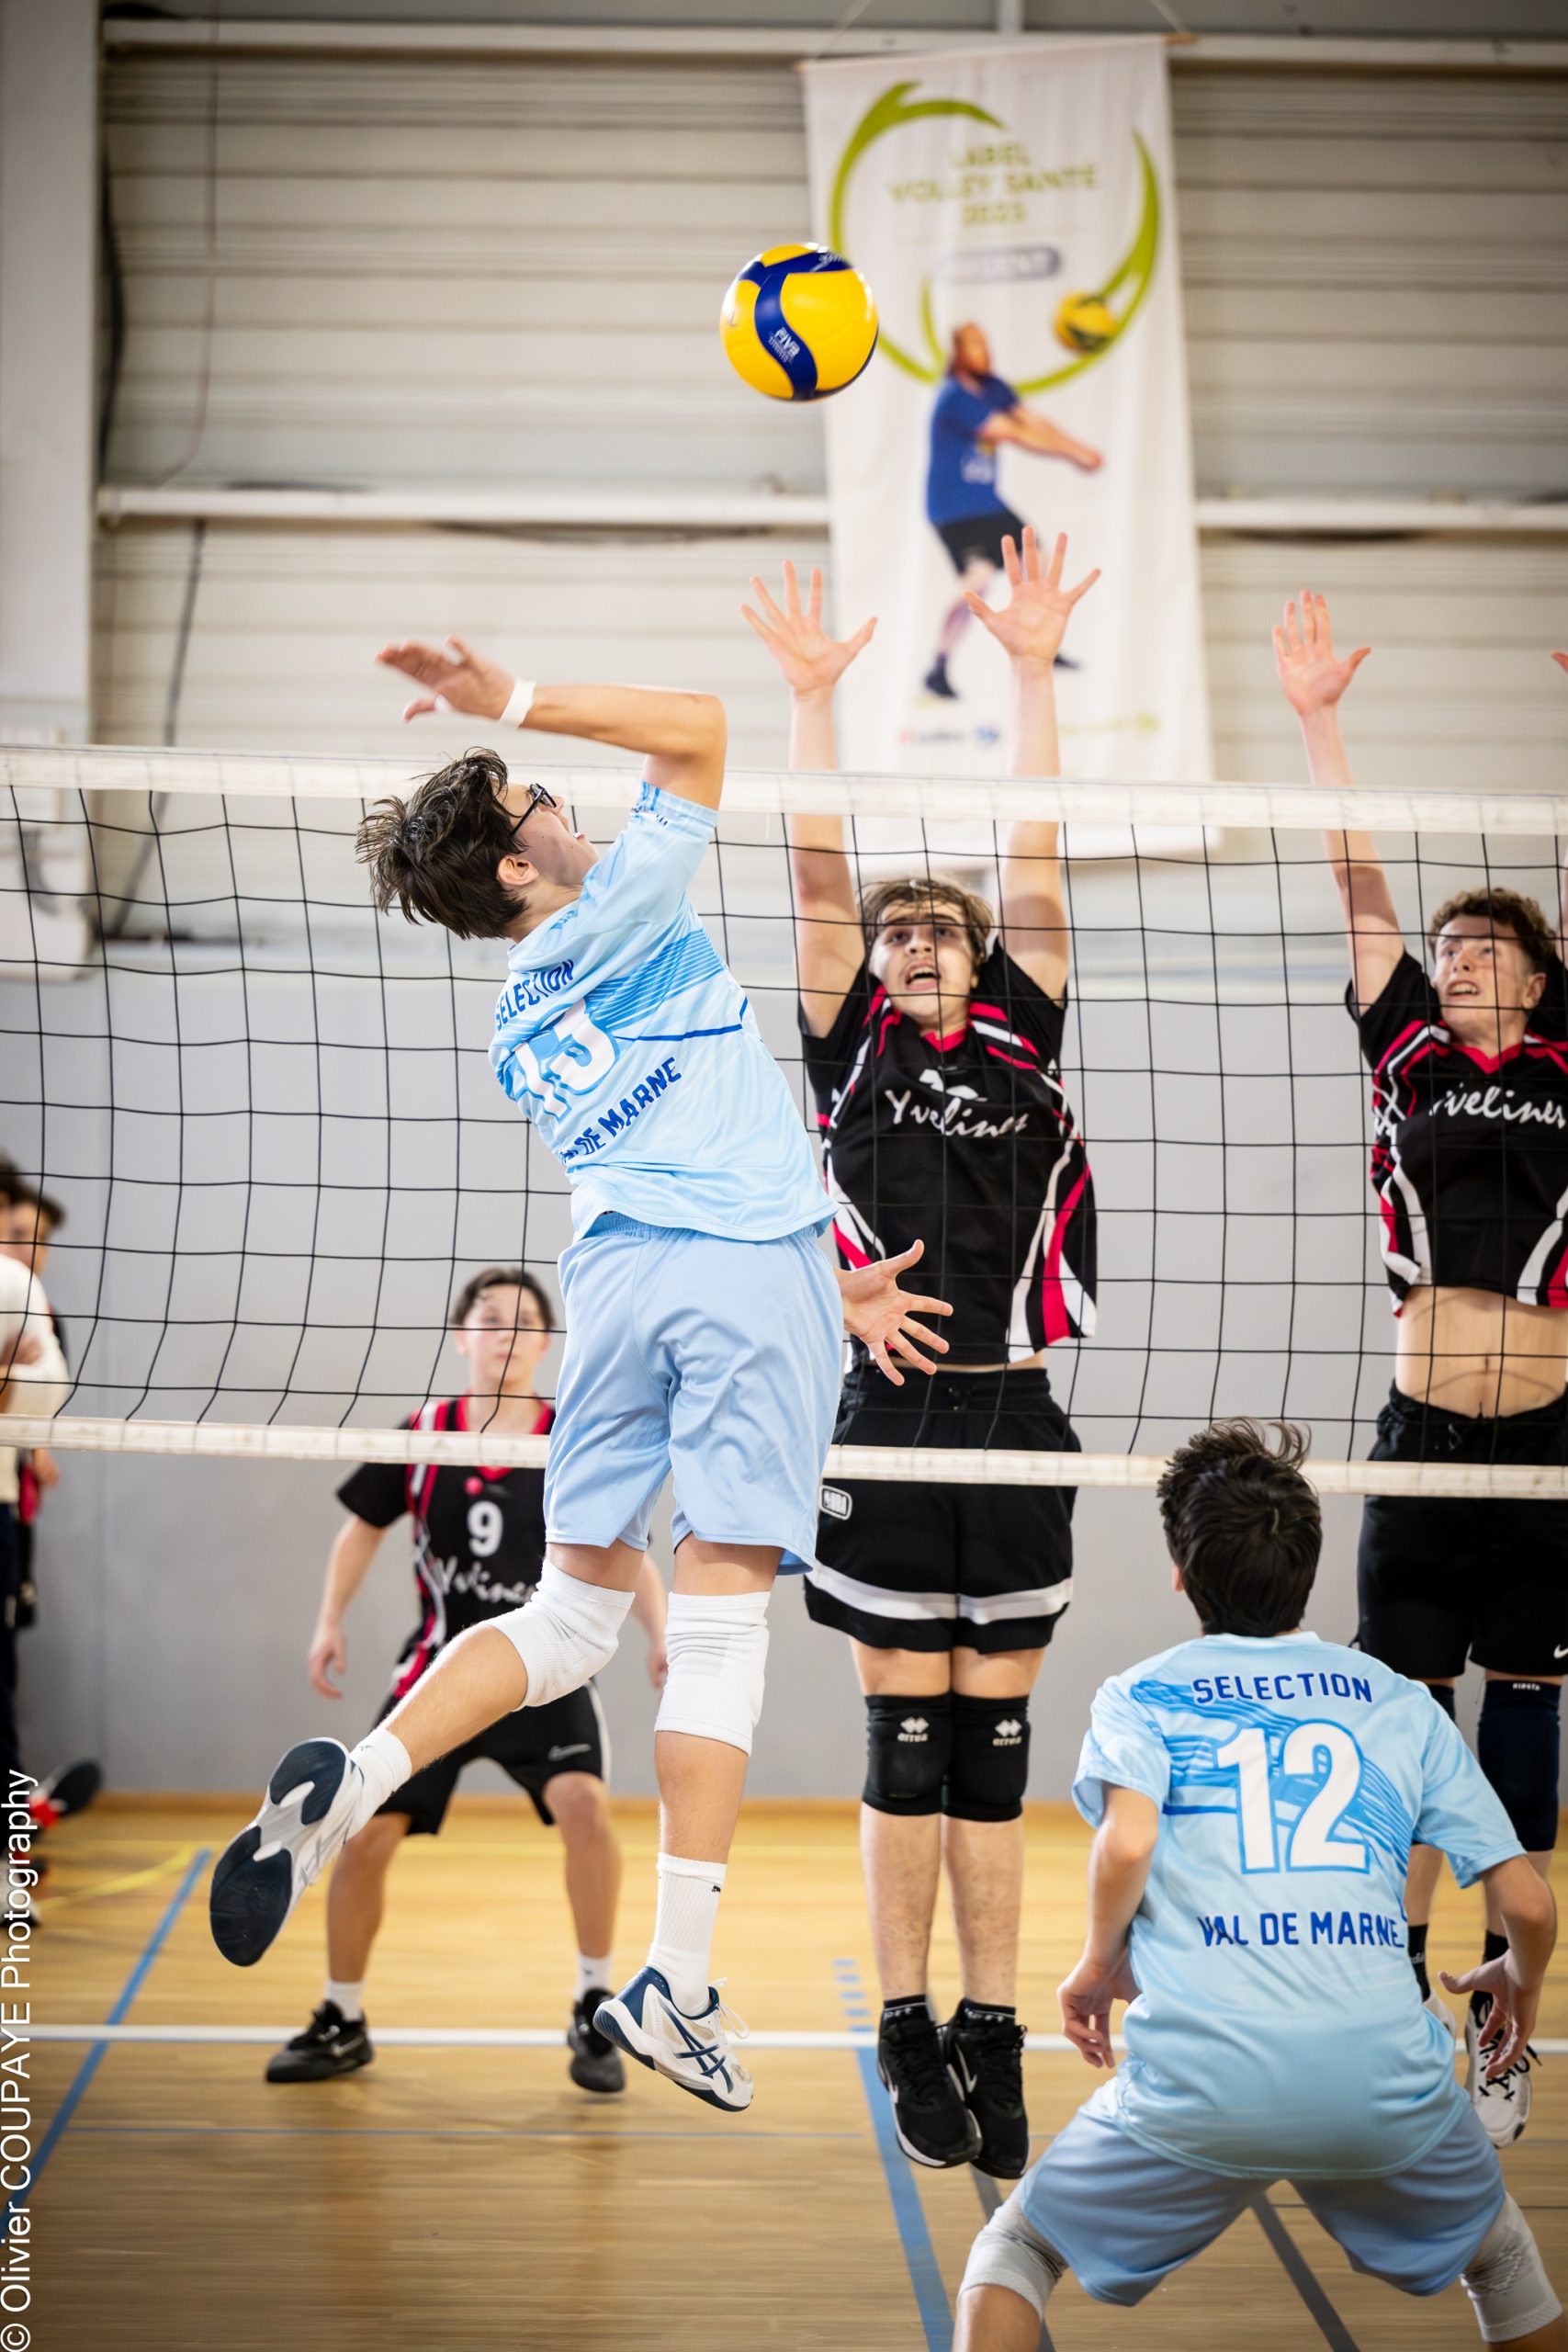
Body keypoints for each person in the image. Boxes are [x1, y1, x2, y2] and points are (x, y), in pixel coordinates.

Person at [209, 645, 952, 2117]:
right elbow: (700, 728)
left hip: (615, 1289)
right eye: (540, 802)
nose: (569, 806)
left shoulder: (514, 1024)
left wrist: (815, 1287)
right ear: (516, 864)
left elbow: (676, 1183)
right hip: (741, 1277)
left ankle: (358, 1783)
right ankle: (675, 1978)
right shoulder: (625, 907)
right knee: (721, 1620)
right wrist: (509, 701)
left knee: (566, 1618)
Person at [741, 528, 1098, 2177]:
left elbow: (1036, 851)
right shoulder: (851, 1051)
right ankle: (903, 2021)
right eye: (895, 936)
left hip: (1014, 1418)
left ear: (979, 955)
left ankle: (991, 2026)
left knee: (992, 1753)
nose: (913, 944)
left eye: (938, 930)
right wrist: (810, 705)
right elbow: (818, 879)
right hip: (884, 1421)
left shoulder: (1025, 1029)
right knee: (904, 1738)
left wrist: (1028, 669)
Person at [956, 1419, 1565, 2352]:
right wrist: (1518, 1979)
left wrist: (1097, 1964)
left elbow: (1128, 1843)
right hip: (1382, 2082)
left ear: (1180, 1572)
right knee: (1506, 2264)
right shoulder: (1399, 1700)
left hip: (1202, 2080)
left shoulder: (1142, 1694)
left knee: (1016, 2251)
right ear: (1308, 1571)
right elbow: (1526, 1903)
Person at [1276, 593, 1568, 2145]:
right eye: (1442, 949)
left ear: (1535, 974)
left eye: (1479, 949)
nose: (1451, 963)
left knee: (1519, 1745)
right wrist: (1317, 721)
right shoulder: (1407, 1054)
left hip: (1548, 1451)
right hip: (1420, 1439)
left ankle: (1504, 2020)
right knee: (1400, 1725)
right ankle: (1384, 2000)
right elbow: (1354, 882)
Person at [265, 1265, 667, 2094]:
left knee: (585, 1809)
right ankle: (342, 2016)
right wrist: (328, 1619)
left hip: (546, 1669)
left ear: (548, 1344)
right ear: (461, 1337)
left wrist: (661, 1636)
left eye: (525, 1322)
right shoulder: (422, 1434)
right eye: (490, 1319)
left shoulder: (573, 1436)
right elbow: (360, 1530)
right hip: (439, 1670)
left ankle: (594, 2002)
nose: (506, 1336)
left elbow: (627, 1550)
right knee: (363, 1832)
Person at [922, 323, 1100, 701]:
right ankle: (938, 665)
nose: (983, 351)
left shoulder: (993, 389)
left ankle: (1041, 638)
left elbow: (1032, 422)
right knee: (978, 581)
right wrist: (1073, 455)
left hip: (987, 504)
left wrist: (1081, 448)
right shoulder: (954, 397)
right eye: (974, 345)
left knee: (1037, 556)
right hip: (954, 510)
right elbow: (1012, 433)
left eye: (985, 343)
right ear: (958, 352)